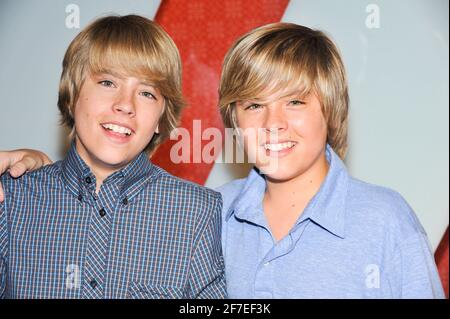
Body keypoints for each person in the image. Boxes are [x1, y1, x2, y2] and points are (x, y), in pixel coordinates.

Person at [0, 23, 445, 299]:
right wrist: (39, 167)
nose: (273, 123)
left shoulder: (385, 220)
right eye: (253, 106)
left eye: (294, 101)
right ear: (232, 119)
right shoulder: (218, 211)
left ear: (330, 110)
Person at [0, 15, 226, 299]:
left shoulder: (199, 212)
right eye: (107, 83)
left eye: (146, 93)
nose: (125, 105)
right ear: (72, 95)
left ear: (160, 118)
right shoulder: (11, 199)